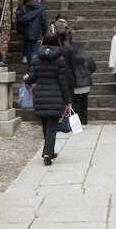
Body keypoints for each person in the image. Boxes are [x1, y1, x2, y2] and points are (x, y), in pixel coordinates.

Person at [23, 32, 72, 166]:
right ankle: (47, 152)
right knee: (52, 125)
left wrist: (26, 79)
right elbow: (63, 82)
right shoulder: (60, 60)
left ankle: (48, 150)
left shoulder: (35, 59)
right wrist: (68, 100)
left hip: (40, 96)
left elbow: (32, 78)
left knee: (45, 124)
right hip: (56, 96)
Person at [54, 18, 97, 127]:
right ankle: (83, 121)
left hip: (73, 79)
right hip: (84, 79)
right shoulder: (76, 47)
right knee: (82, 102)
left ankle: (74, 123)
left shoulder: (64, 49)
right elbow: (91, 64)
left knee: (73, 102)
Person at [16, 0, 48, 64]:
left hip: (25, 31)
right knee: (33, 48)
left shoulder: (24, 7)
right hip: (35, 32)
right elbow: (44, 22)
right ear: (37, 0)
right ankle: (32, 63)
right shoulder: (41, 9)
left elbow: (19, 19)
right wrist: (44, 33)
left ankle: (25, 56)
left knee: (28, 45)